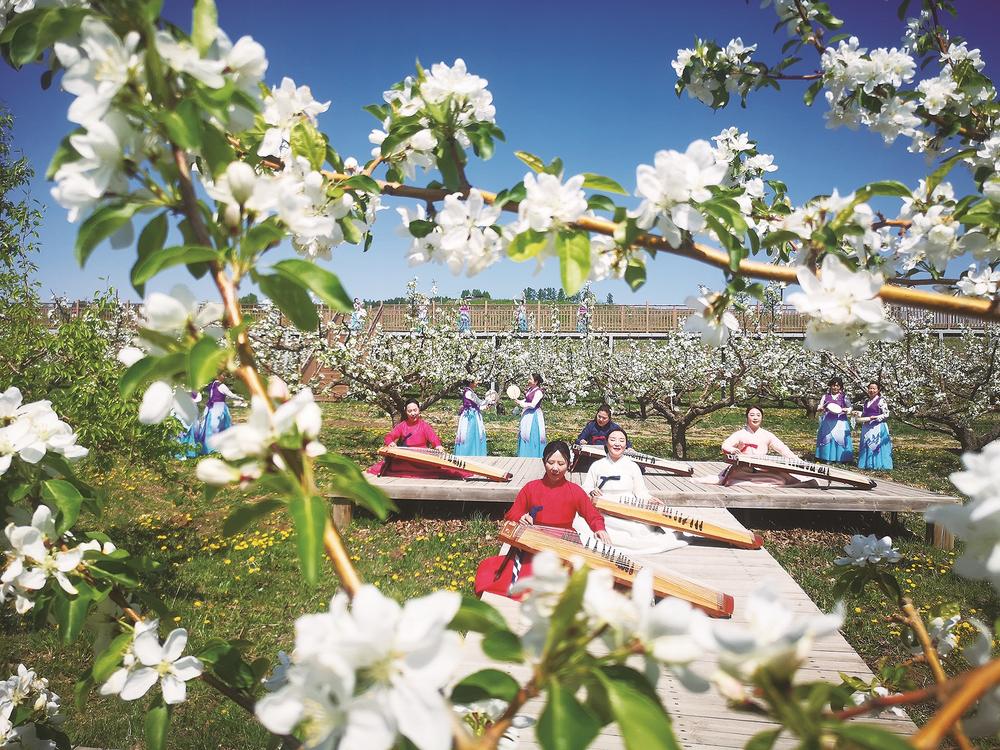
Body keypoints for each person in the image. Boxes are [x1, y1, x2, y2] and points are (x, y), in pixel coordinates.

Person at [476, 441, 610, 598]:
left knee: (571, 583)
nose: (555, 468)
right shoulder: (531, 488)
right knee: (525, 580)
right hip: (534, 541)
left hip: (564, 542)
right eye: (550, 462)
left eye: (561, 463)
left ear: (569, 464)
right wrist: (521, 517)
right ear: (543, 462)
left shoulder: (575, 491)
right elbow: (512, 514)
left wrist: (599, 528)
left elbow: (591, 514)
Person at [580, 428, 684, 554]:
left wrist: (649, 499)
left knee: (638, 530)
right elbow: (586, 487)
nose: (617, 443)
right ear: (606, 443)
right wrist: (592, 491)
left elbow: (640, 492)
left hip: (627, 506)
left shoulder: (632, 466)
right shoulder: (597, 465)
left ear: (625, 444)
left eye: (621, 440)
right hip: (603, 508)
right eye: (613, 440)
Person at [697, 405, 802, 485]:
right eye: (752, 415)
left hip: (762, 469)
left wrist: (797, 460)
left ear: (762, 418)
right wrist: (732, 450)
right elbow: (725, 445)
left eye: (758, 415)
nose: (755, 418)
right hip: (742, 469)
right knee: (732, 480)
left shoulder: (767, 435)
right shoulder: (740, 434)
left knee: (782, 480)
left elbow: (782, 449)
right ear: (747, 417)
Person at [367, 399, 452, 477]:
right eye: (410, 411)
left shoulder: (424, 426)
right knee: (390, 465)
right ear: (406, 412)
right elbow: (389, 436)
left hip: (421, 457)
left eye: (415, 410)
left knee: (434, 468)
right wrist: (390, 442)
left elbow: (434, 438)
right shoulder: (402, 425)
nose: (413, 413)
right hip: (406, 456)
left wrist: (438, 445)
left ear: (419, 410)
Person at [197, 374, 244, 455]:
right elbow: (231, 395)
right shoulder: (222, 386)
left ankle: (208, 447)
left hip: (211, 408)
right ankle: (219, 448)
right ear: (219, 376)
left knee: (209, 427)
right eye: (223, 375)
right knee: (221, 426)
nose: (225, 377)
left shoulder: (213, 384)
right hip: (219, 408)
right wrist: (241, 398)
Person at [856, 381, 893, 470]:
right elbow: (865, 414)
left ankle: (878, 465)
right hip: (867, 426)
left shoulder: (881, 401)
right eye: (870, 388)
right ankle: (867, 464)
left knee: (876, 444)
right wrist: (858, 414)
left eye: (874, 388)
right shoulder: (866, 402)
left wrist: (875, 417)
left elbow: (886, 414)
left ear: (878, 390)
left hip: (878, 426)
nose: (872, 390)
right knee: (867, 443)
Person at [816, 376, 854, 463]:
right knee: (828, 437)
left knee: (839, 438)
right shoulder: (825, 396)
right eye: (833, 385)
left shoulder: (844, 397)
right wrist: (821, 408)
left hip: (840, 421)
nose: (835, 387)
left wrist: (846, 410)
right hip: (828, 420)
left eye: (837, 386)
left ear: (840, 387)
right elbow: (820, 406)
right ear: (830, 386)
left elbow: (850, 407)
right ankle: (827, 457)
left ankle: (840, 459)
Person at [454, 379, 487, 457]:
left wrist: (486, 405)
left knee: (474, 433)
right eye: (475, 381)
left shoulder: (470, 392)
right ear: (471, 383)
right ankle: (468, 453)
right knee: (469, 433)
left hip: (472, 413)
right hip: (470, 416)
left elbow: (478, 404)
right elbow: (479, 402)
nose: (477, 383)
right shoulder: (469, 393)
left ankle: (474, 452)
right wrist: (489, 400)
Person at [515, 373, 546, 458]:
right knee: (524, 432)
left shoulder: (539, 392)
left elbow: (533, 404)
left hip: (534, 416)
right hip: (528, 414)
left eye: (530, 379)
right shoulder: (530, 390)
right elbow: (526, 399)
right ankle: (524, 454)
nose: (528, 380)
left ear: (535, 382)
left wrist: (522, 404)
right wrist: (519, 401)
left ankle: (533, 454)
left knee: (532, 433)